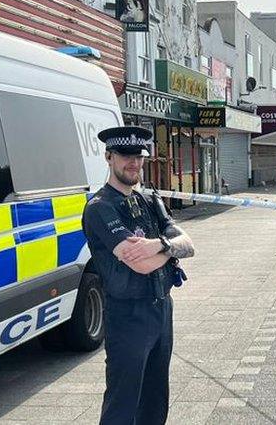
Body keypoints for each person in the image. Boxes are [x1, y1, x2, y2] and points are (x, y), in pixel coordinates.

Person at [83, 126, 196, 425]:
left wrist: (158, 245)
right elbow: (139, 265)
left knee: (156, 399)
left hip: (161, 309)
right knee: (123, 403)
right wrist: (168, 250)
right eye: (125, 156)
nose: (133, 163)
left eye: (139, 156)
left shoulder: (148, 200)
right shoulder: (100, 208)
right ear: (108, 157)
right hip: (128, 315)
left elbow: (188, 244)